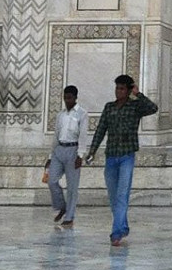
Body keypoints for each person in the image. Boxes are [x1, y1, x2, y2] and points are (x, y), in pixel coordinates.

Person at [85, 75, 158, 245]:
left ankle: (116, 232)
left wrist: (137, 94)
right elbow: (101, 129)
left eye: (122, 88)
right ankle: (123, 226)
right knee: (113, 196)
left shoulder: (135, 107)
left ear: (128, 90)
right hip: (111, 155)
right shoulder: (109, 107)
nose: (118, 91)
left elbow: (153, 108)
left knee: (122, 194)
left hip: (126, 156)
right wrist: (92, 151)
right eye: (117, 88)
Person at [48, 85, 89, 229]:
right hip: (59, 149)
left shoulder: (82, 114)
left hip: (73, 150)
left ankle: (69, 217)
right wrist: (50, 155)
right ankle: (61, 206)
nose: (67, 101)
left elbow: (83, 135)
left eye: (70, 98)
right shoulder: (61, 115)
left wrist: (80, 155)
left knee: (72, 187)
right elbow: (56, 135)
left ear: (75, 98)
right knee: (52, 181)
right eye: (65, 98)